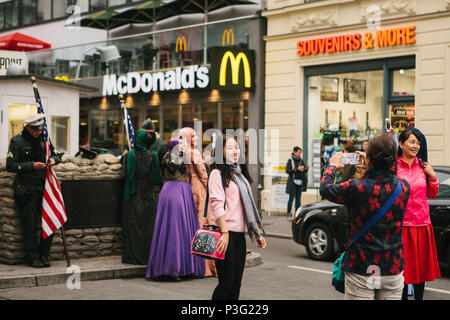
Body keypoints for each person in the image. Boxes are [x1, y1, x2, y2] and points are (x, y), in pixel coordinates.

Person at [320, 134, 410, 300]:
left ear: (369, 160)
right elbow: (391, 175)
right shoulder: (403, 187)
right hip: (392, 266)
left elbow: (326, 189)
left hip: (362, 266)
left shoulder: (357, 188)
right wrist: (370, 165)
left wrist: (332, 166)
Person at [209, 134, 267, 300]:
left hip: (238, 236)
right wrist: (225, 233)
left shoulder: (239, 175)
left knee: (236, 284)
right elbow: (216, 204)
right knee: (226, 283)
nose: (235, 151)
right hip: (224, 235)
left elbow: (246, 207)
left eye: (237, 147)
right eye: (230, 148)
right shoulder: (217, 173)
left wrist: (256, 232)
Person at [145, 137, 205, 281]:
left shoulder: (180, 156)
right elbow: (173, 170)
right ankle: (171, 268)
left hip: (183, 193)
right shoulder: (170, 157)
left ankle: (186, 267)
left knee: (186, 229)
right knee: (174, 230)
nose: (184, 146)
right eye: (181, 144)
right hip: (174, 192)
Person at [6, 114, 62, 268]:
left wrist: (53, 160)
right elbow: (10, 165)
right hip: (27, 188)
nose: (38, 132)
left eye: (40, 129)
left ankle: (44, 254)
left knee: (50, 220)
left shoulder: (44, 139)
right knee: (29, 225)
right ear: (28, 128)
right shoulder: (17, 141)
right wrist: (31, 166)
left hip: (45, 187)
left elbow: (56, 155)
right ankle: (33, 258)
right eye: (35, 130)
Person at [396, 128, 441, 300]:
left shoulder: (423, 166)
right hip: (403, 226)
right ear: (401, 144)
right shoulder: (394, 167)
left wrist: (433, 176)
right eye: (412, 142)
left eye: (418, 143)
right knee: (403, 275)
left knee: (421, 275)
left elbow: (432, 193)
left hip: (422, 225)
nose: (416, 146)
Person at [179, 127, 217, 278]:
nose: (196, 139)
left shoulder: (182, 151)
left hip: (189, 187)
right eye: (193, 136)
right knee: (204, 224)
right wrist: (211, 188)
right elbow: (203, 174)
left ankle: (194, 263)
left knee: (193, 224)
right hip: (200, 188)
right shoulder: (194, 152)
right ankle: (206, 266)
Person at [121, 129, 161, 265]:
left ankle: (132, 256)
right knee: (147, 227)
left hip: (132, 195)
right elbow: (156, 178)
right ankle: (146, 255)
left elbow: (124, 173)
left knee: (132, 226)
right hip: (148, 195)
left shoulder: (129, 155)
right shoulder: (153, 155)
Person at [285, 146, 308, 216]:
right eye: (298, 152)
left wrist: (305, 169)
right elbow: (287, 170)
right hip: (292, 181)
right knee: (291, 198)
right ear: (294, 152)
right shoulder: (290, 160)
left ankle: (297, 213)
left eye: (300, 153)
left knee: (298, 199)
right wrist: (297, 169)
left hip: (300, 181)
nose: (299, 154)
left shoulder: (301, 160)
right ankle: (288, 212)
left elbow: (303, 170)